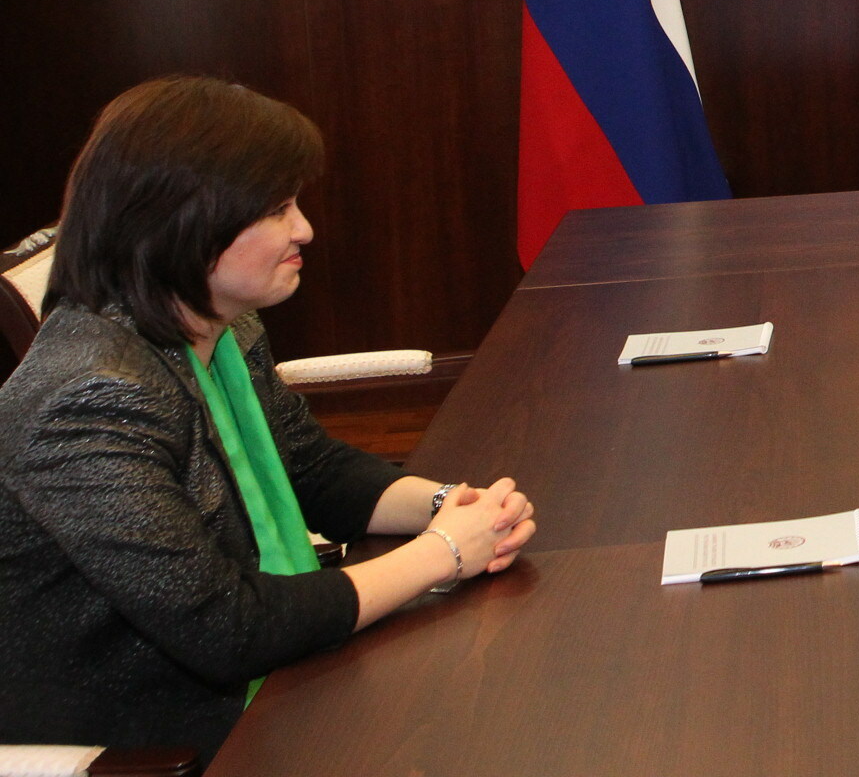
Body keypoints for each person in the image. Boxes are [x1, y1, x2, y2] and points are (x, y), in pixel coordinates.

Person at [0, 76, 537, 755]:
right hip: (158, 743)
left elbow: (308, 466)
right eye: (278, 209)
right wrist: (446, 553)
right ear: (184, 222)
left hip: (271, 679)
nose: (304, 229)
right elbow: (223, 628)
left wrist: (453, 507)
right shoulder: (87, 398)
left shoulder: (221, 326)